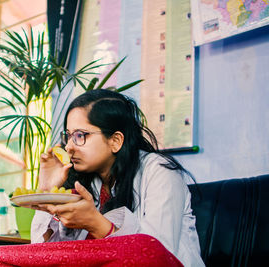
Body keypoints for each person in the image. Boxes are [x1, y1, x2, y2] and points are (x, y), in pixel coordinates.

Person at [31, 89, 205, 266]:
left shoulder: (159, 171)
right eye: (68, 136)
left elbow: (156, 255)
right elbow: (46, 255)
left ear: (115, 141)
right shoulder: (88, 182)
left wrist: (95, 223)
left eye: (80, 135)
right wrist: (47, 190)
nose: (68, 147)